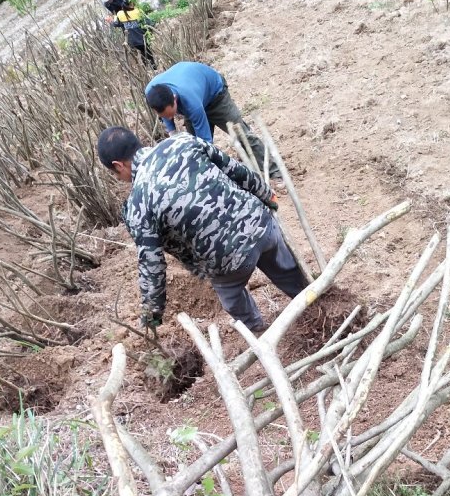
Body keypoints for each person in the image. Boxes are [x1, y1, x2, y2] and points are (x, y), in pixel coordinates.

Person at [97, 126, 308, 334]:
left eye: (116, 175)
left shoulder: (137, 204)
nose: (120, 179)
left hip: (228, 262)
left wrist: (152, 314)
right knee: (286, 269)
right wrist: (267, 196)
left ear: (118, 165)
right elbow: (236, 170)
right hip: (261, 226)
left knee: (231, 296)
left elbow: (152, 265)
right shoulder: (183, 141)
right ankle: (312, 303)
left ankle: (258, 331)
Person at [144, 61, 281, 178]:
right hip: (193, 91)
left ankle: (275, 172)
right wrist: (173, 134)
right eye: (164, 116)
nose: (169, 118)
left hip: (215, 95)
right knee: (192, 148)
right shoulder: (152, 92)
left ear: (174, 99)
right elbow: (166, 115)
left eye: (171, 114)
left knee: (241, 134)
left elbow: (206, 143)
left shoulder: (191, 103)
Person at [99, 0, 155, 68]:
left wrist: (114, 21)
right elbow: (148, 22)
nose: (109, 3)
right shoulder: (136, 12)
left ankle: (146, 61)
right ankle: (150, 63)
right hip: (127, 19)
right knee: (142, 45)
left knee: (138, 41)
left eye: (110, 0)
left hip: (127, 15)